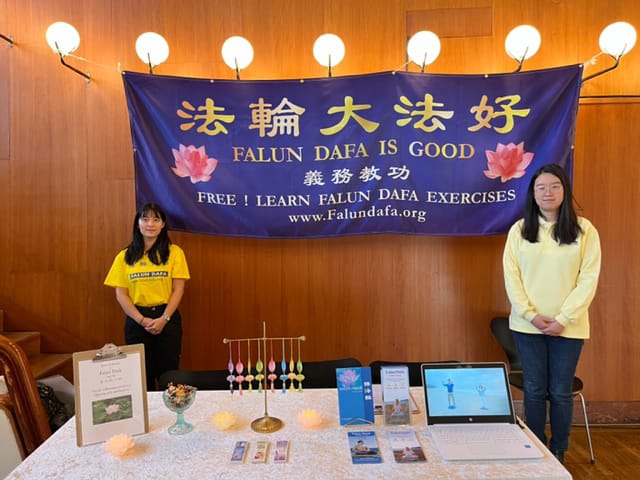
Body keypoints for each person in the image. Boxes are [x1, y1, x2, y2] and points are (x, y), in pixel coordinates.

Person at [502, 163, 601, 464]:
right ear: (532, 194)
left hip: (568, 328)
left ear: (565, 191)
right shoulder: (520, 230)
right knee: (534, 390)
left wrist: (563, 319)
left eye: (555, 186)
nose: (548, 192)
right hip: (527, 326)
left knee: (559, 391)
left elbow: (588, 279)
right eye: (541, 187)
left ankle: (558, 451)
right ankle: (536, 449)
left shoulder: (585, 230)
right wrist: (530, 315)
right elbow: (512, 277)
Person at [104, 203, 190, 391]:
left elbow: (178, 290)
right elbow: (121, 295)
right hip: (137, 320)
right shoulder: (124, 256)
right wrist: (142, 320)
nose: (150, 224)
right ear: (138, 223)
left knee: (170, 376)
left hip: (167, 319)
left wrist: (164, 319)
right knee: (141, 377)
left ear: (163, 224)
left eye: (156, 219)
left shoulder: (175, 253)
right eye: (145, 219)